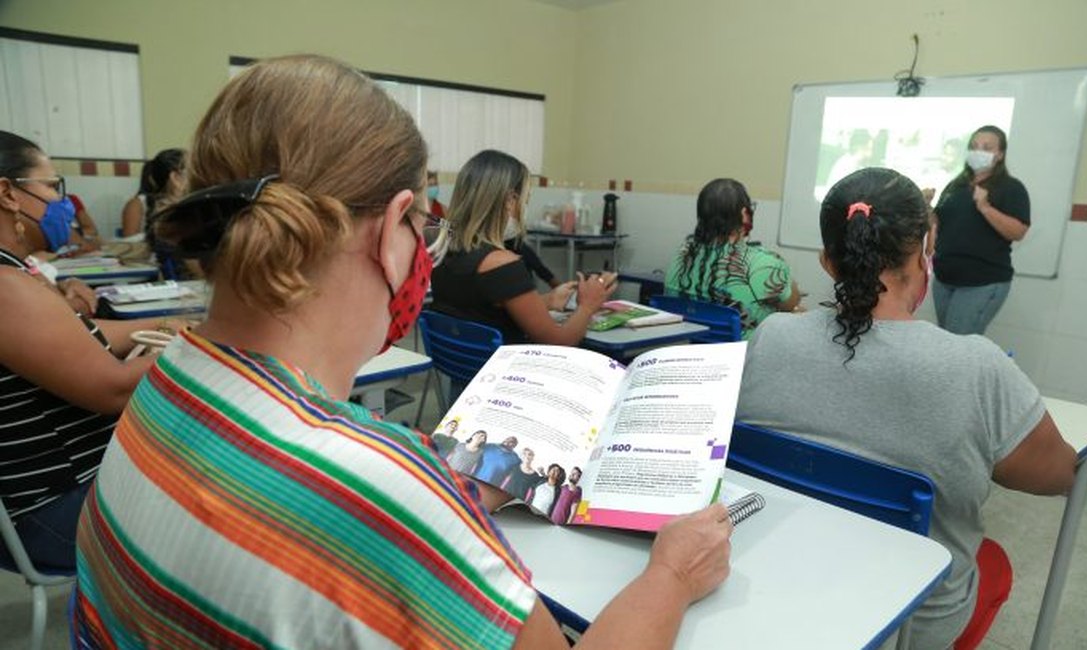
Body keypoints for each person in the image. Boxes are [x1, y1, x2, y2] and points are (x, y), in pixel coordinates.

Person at [73, 55, 733, 650]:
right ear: (393, 229)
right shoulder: (376, 489)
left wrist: (442, 499)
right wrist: (673, 576)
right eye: (425, 228)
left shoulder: (165, 382)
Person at [736, 167, 1076, 650]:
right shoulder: (976, 365)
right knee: (992, 560)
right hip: (908, 625)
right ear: (924, 252)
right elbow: (1061, 475)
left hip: (778, 586)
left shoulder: (772, 336)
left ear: (829, 262)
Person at [0, 130, 188, 572]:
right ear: (8, 193)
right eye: (51, 187)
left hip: (53, 497)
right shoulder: (7, 290)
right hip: (54, 511)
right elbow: (113, 391)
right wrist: (212, 345)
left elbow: (78, 330)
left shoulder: (14, 277)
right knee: (241, 497)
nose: (61, 202)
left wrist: (164, 324)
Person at [431, 149, 616, 345]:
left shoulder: (441, 249)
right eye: (525, 200)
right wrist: (587, 306)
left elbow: (479, 311)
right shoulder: (502, 264)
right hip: (508, 370)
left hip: (467, 371)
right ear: (510, 201)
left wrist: (546, 301)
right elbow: (559, 343)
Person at [665, 178, 801, 337]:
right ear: (744, 214)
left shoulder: (681, 255)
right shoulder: (767, 264)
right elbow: (791, 304)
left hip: (686, 350)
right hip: (740, 358)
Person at [927, 125, 1029, 335]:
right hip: (945, 278)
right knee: (945, 342)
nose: (978, 151)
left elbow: (1018, 232)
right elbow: (936, 223)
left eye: (986, 147)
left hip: (981, 282)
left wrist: (985, 207)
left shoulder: (1011, 187)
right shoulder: (956, 185)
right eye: (974, 146)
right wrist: (925, 206)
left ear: (1000, 154)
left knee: (959, 349)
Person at [119, 148, 185, 238]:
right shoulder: (137, 205)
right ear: (175, 177)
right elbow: (132, 245)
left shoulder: (193, 200)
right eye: (188, 173)